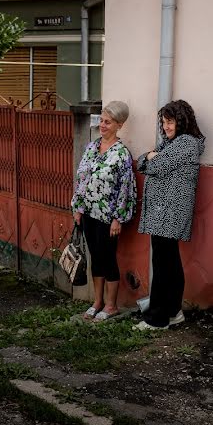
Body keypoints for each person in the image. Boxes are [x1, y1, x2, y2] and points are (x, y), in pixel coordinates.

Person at [133, 100, 204, 331]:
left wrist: (151, 157)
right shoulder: (171, 143)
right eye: (163, 122)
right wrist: (150, 156)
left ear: (182, 122)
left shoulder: (186, 143)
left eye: (170, 122)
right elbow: (145, 160)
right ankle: (172, 312)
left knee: (165, 264)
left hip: (170, 211)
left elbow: (154, 166)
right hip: (162, 211)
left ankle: (158, 318)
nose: (166, 127)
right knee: (167, 261)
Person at [71, 101, 137, 322]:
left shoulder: (121, 154)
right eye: (101, 120)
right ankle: (97, 302)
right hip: (88, 212)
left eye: (108, 122)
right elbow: (81, 179)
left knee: (108, 258)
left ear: (119, 125)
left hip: (108, 217)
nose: (103, 125)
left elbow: (126, 189)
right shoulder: (91, 147)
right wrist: (78, 208)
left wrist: (118, 219)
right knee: (95, 258)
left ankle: (111, 306)